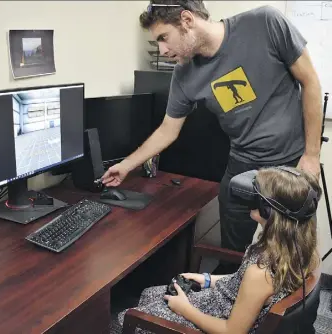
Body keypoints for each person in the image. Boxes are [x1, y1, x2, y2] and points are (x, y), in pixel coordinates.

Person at [101, 1, 323, 268]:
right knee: (231, 257)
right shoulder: (184, 74)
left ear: (186, 20)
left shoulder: (265, 23)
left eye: (163, 38)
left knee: (296, 259)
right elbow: (168, 130)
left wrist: (311, 155)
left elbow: (310, 81)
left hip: (290, 162)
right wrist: (125, 165)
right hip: (241, 164)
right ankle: (231, 304)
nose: (162, 50)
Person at [117, 167, 322, 334]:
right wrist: (207, 279)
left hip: (222, 319)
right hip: (227, 302)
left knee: (128, 318)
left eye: (256, 195)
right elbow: (244, 283)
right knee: (149, 294)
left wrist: (185, 310)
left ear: (269, 211)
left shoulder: (261, 272)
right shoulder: (299, 251)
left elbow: (231, 331)